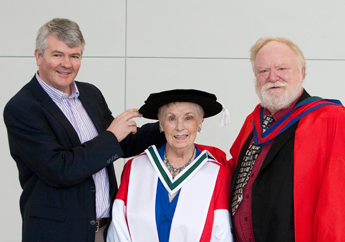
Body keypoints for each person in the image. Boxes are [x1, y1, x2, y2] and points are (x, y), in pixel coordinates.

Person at [3, 18, 165, 242]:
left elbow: (120, 144)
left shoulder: (90, 94)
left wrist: (168, 125)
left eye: (75, 56)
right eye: (57, 54)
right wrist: (111, 136)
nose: (67, 64)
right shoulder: (22, 108)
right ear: (39, 56)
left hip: (103, 231)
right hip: (58, 235)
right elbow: (60, 169)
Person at [229, 37, 345, 242]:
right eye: (263, 71)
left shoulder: (332, 119)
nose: (273, 77)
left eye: (282, 68)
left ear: (301, 73)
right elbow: (232, 172)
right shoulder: (253, 121)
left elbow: (337, 203)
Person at [107, 89, 234, 242]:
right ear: (161, 124)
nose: (180, 127)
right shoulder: (135, 168)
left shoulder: (216, 173)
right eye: (171, 118)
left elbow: (222, 234)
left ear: (200, 122)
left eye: (188, 118)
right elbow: (119, 228)